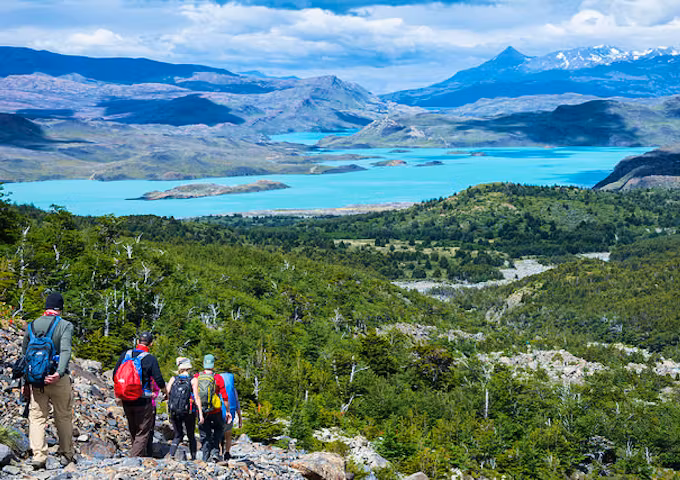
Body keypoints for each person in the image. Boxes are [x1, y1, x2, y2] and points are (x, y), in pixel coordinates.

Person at [22, 292, 75, 470]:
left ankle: (39, 457)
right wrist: (59, 373)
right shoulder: (65, 325)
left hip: (37, 381)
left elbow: (24, 358)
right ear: (60, 308)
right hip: (57, 379)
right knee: (63, 416)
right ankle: (66, 454)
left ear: (46, 307)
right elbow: (66, 350)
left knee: (37, 418)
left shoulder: (32, 325)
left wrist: (26, 383)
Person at [112, 332, 167, 457]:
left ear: (137, 342)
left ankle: (137, 455)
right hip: (143, 399)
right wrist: (165, 392)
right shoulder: (150, 358)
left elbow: (114, 374)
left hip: (126, 398)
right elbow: (159, 379)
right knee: (143, 430)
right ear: (151, 344)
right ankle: (134, 459)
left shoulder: (125, 355)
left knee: (133, 428)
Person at [195, 354, 231, 462]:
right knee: (218, 430)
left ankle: (205, 457)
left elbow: (195, 394)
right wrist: (228, 411)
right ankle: (215, 453)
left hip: (202, 411)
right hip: (215, 410)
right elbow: (225, 397)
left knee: (204, 434)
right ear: (213, 364)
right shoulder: (218, 378)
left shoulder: (197, 376)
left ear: (204, 364)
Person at [166, 357, 203, 460]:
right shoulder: (193, 380)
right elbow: (196, 397)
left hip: (174, 411)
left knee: (178, 435)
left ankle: (171, 455)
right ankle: (193, 457)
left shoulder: (173, 379)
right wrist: (200, 414)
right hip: (189, 411)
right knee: (191, 435)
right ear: (188, 368)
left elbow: (167, 392)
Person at [219, 371, 242, 460]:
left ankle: (220, 452)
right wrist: (240, 418)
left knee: (218, 434)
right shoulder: (233, 390)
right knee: (228, 435)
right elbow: (237, 404)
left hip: (219, 413)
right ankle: (227, 453)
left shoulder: (218, 388)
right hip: (230, 414)